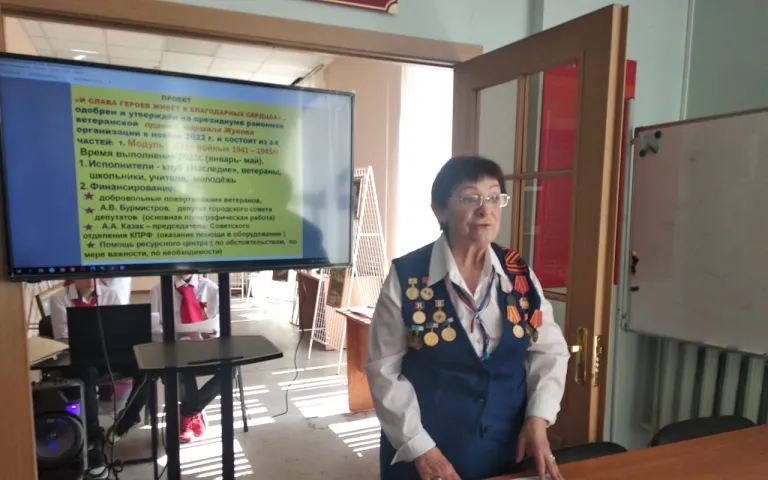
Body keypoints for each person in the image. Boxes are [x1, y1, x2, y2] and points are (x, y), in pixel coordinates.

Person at [366, 156, 570, 480]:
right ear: (440, 210)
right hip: (424, 454)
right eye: (470, 198)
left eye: (494, 197)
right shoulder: (407, 276)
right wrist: (421, 449)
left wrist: (539, 416)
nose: (485, 209)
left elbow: (550, 350)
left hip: (504, 449)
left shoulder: (518, 273)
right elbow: (383, 370)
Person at [111, 274, 221, 444]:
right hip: (172, 351)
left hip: (203, 349)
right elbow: (152, 329)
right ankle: (190, 415)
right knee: (175, 367)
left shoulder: (210, 289)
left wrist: (211, 334)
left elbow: (218, 325)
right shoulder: (158, 290)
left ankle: (188, 411)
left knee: (230, 369)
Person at [49, 278, 124, 480]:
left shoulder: (110, 295)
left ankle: (125, 422)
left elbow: (117, 329)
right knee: (88, 374)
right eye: (85, 275)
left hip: (107, 354)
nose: (91, 280)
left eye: (94, 275)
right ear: (74, 277)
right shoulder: (59, 298)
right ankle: (94, 442)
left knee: (145, 368)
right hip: (79, 356)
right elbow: (63, 337)